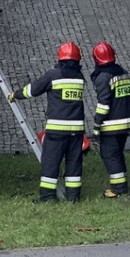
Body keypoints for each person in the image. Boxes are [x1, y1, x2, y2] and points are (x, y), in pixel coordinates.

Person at [8, 42, 85, 203]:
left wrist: (15, 95)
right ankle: (73, 197)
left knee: (51, 162)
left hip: (57, 129)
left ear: (60, 58)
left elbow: (33, 90)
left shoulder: (53, 75)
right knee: (74, 163)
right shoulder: (80, 78)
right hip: (77, 130)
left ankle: (48, 197)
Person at [90, 41, 130, 198]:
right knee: (118, 153)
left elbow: (104, 104)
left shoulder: (103, 77)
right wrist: (128, 113)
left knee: (110, 155)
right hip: (125, 124)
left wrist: (97, 124)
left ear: (96, 59)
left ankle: (118, 189)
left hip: (110, 126)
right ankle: (122, 184)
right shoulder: (124, 73)